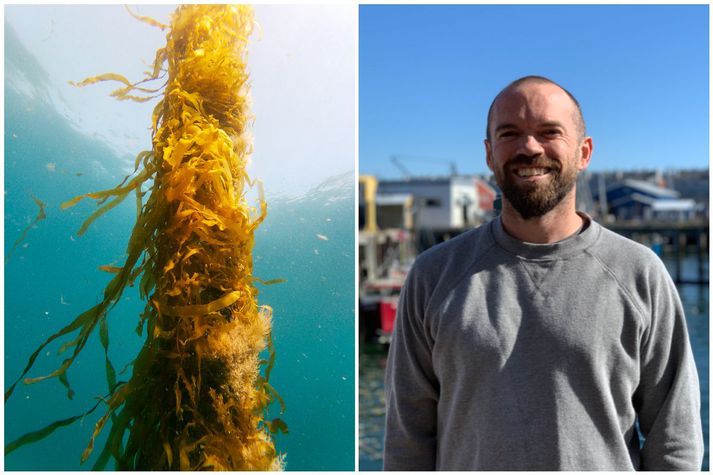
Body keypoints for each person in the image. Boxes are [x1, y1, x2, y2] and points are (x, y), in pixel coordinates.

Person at [383, 75, 703, 470]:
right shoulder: (432, 275)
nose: (529, 147)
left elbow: (675, 441)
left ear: (584, 152)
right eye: (509, 133)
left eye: (549, 132)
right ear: (489, 154)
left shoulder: (640, 273)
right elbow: (407, 441)